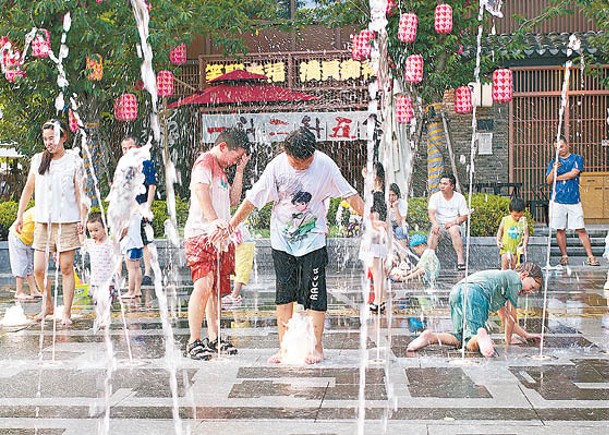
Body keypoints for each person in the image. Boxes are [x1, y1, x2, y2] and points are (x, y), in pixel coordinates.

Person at [226, 127, 364, 364]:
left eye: (306, 161)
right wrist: (230, 226)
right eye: (296, 161)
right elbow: (251, 201)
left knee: (315, 295)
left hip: (313, 241)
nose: (301, 166)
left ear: (314, 152)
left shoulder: (326, 165)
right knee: (284, 295)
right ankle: (284, 347)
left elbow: (349, 195)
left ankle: (316, 347)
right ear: (285, 151)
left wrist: (371, 220)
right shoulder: (276, 167)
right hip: (282, 242)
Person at [183, 127, 250, 361]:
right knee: (204, 284)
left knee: (216, 290)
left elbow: (233, 200)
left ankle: (215, 337)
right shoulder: (206, 162)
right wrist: (212, 222)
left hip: (220, 239)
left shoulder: (221, 170)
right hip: (201, 234)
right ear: (222, 147)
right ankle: (193, 340)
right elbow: (200, 191)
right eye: (234, 157)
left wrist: (240, 171)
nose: (233, 161)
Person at [15, 119, 88, 326]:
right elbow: (28, 189)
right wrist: (20, 215)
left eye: (53, 138)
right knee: (38, 269)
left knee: (66, 268)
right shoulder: (38, 160)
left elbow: (80, 194)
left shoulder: (74, 161)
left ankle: (65, 312)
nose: (49, 142)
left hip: (67, 222)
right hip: (43, 223)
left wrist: (82, 221)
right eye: (46, 139)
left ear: (63, 137)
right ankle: (47, 304)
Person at [407, 262, 544, 357]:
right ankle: (479, 336)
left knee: (460, 338)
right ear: (524, 275)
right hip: (475, 293)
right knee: (470, 342)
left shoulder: (501, 284)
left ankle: (430, 337)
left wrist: (525, 335)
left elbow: (505, 317)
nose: (529, 292)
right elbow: (512, 316)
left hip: (457, 291)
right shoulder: (515, 280)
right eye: (531, 287)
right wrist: (508, 341)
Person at [545, 135, 599, 267]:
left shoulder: (576, 158)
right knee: (560, 229)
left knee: (580, 229)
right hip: (557, 200)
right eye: (557, 148)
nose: (560, 150)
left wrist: (557, 178)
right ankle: (564, 256)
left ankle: (590, 256)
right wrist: (554, 170)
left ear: (567, 145)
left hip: (574, 200)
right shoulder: (553, 162)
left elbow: (573, 173)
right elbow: (548, 180)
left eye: (562, 147)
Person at [120, 136, 157, 286]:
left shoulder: (146, 163)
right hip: (128, 208)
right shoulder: (123, 166)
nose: (128, 151)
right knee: (126, 239)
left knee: (145, 240)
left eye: (131, 147)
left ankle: (147, 273)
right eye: (125, 148)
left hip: (141, 206)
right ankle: (128, 275)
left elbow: (152, 186)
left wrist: (147, 208)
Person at [362, 162, 389, 313]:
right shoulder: (381, 195)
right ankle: (382, 298)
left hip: (374, 236)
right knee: (379, 270)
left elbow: (377, 220)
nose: (366, 180)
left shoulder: (375, 196)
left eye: (367, 176)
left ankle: (378, 301)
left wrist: (368, 223)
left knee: (377, 270)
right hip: (379, 237)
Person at [427, 174, 469, 270]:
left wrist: (453, 223)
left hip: (454, 224)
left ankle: (460, 260)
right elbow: (431, 213)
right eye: (441, 183)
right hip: (439, 225)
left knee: (453, 230)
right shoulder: (435, 197)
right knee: (434, 231)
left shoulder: (460, 198)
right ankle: (429, 260)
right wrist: (435, 223)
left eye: (445, 184)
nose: (442, 186)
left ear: (452, 186)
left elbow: (464, 216)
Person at [82, 212, 115, 328]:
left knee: (106, 301)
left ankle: (106, 318)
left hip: (108, 281)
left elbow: (117, 257)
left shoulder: (109, 243)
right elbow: (82, 240)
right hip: (95, 281)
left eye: (96, 230)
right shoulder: (91, 244)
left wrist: (119, 268)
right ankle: (100, 317)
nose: (93, 234)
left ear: (105, 228)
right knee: (97, 301)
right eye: (90, 231)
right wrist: (80, 232)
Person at [8, 207, 43, 301]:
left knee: (29, 265)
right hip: (17, 236)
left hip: (27, 240)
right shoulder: (37, 211)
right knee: (21, 263)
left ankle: (34, 290)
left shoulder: (43, 212)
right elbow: (40, 229)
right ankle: (19, 292)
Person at [222, 222, 255, 308]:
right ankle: (235, 294)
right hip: (239, 243)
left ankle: (235, 295)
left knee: (241, 270)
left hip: (244, 243)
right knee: (237, 269)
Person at [496, 197, 529, 270]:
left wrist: (524, 246)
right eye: (515, 215)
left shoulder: (523, 220)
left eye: (520, 215)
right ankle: (503, 280)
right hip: (505, 248)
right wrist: (498, 241)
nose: (517, 218)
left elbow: (526, 234)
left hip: (519, 249)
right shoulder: (505, 219)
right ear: (510, 211)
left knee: (519, 268)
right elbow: (500, 231)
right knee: (504, 267)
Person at [121, 209, 144, 299]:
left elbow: (124, 230)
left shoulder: (126, 213)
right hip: (138, 243)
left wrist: (118, 238)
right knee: (137, 267)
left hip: (129, 244)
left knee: (130, 268)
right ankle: (138, 290)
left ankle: (130, 291)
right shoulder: (137, 211)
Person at [388, 182, 409, 261]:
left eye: (393, 195)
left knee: (400, 230)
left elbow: (400, 223)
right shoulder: (384, 203)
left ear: (397, 195)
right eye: (389, 195)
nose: (391, 198)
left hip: (400, 225)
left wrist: (395, 208)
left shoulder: (403, 203)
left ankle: (403, 260)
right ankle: (392, 259)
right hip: (388, 225)